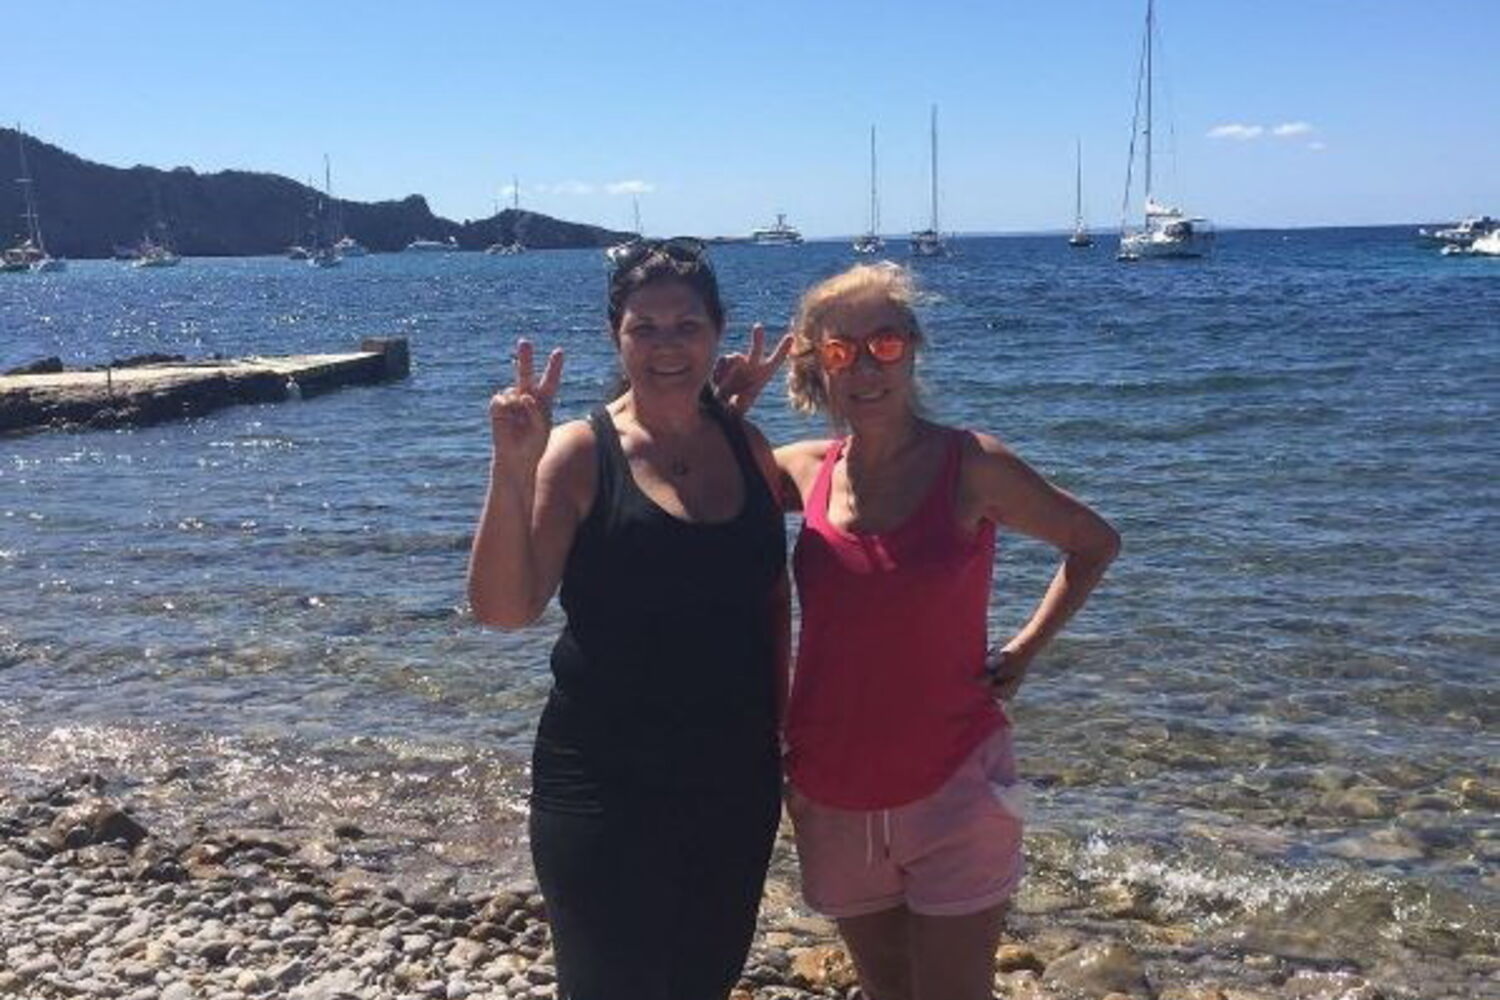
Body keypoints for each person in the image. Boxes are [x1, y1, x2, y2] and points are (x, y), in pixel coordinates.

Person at [740, 262, 1120, 1000]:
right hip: (830, 785)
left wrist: (1024, 650)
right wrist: (729, 409)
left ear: (912, 347)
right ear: (816, 368)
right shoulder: (803, 470)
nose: (866, 367)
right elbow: (685, 484)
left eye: (884, 343)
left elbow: (1094, 543)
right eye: (841, 352)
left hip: (955, 782)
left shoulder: (972, 465)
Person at [466, 238, 790, 1000]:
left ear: (717, 332)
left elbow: (771, 598)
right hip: (604, 782)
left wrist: (783, 734)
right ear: (616, 335)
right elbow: (505, 608)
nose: (667, 345)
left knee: (705, 981)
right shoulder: (580, 453)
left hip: (735, 777)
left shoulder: (747, 445)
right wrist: (512, 466)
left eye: (687, 326)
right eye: (645, 327)